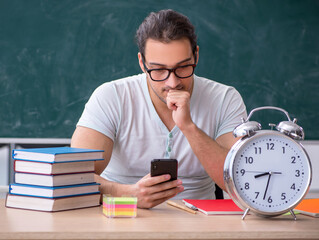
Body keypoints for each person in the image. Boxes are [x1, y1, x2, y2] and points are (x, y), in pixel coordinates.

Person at [71, 9, 247, 209]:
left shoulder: (224, 98)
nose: (172, 82)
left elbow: (240, 181)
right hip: (122, 215)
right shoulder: (111, 97)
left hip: (200, 223)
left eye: (183, 67)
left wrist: (188, 127)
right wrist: (127, 193)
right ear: (142, 63)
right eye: (159, 70)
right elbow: (72, 177)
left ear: (196, 56)